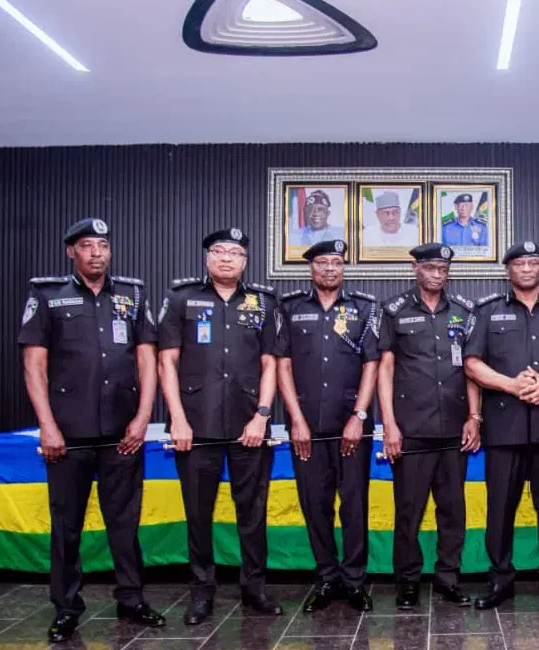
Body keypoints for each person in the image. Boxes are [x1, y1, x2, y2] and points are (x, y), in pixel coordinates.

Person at [19, 218, 165, 643]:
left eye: (102, 245)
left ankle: (132, 599)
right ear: (71, 252)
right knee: (67, 526)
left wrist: (143, 417)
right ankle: (66, 608)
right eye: (87, 245)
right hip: (67, 436)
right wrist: (47, 425)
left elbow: (147, 360)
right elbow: (34, 366)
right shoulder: (47, 295)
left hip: (123, 434)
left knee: (125, 523)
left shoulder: (132, 295)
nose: (96, 252)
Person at [157, 227, 282, 625]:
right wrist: (177, 418)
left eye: (235, 253)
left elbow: (270, 364)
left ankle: (254, 589)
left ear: (246, 261)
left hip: (250, 425)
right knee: (198, 514)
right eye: (219, 251)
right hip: (196, 425)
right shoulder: (181, 298)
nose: (227, 258)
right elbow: (166, 362)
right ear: (207, 257)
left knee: (253, 513)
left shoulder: (264, 302)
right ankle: (201, 592)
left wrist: (262, 415)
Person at [463, 240, 539, 610]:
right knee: (500, 507)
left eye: (534, 263)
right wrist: (510, 385)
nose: (528, 269)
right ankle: (500, 579)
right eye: (520, 264)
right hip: (505, 427)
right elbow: (472, 363)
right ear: (508, 271)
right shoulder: (487, 310)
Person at [276, 238, 377, 614]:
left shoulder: (364, 307)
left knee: (355, 505)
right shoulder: (289, 308)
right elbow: (282, 364)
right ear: (311, 268)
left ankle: (355, 581)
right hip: (307, 427)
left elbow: (372, 363)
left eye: (336, 262)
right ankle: (326, 578)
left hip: (352, 426)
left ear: (344, 267)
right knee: (315, 504)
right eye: (322, 263)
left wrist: (359, 415)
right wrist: (296, 420)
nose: (330, 269)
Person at [378, 242, 481, 609]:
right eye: (430, 268)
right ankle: (407, 582)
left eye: (443, 269)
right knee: (409, 511)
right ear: (416, 270)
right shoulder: (394, 310)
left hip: (455, 429)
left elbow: (471, 368)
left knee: (453, 511)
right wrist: (389, 424)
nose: (437, 275)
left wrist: (474, 417)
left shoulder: (464, 311)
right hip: (412, 429)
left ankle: (448, 579)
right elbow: (385, 369)